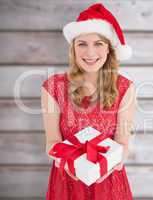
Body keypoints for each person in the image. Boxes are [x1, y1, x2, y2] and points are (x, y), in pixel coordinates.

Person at [41, 3, 136, 199]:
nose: (90, 53)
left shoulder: (125, 88)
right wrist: (67, 161)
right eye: (82, 44)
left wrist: (114, 163)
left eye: (98, 44)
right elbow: (52, 142)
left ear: (109, 49)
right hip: (67, 184)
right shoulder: (53, 87)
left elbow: (123, 143)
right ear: (73, 49)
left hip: (109, 184)